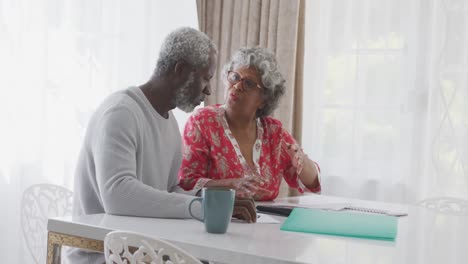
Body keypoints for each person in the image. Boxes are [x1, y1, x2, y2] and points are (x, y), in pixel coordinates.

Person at [68, 28, 256, 264]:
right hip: (102, 256)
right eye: (205, 78)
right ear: (180, 70)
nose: (208, 90)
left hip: (140, 251)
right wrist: (201, 207)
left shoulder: (170, 123)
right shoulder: (121, 112)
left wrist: (212, 202)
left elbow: (168, 191)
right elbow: (118, 195)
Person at [178, 47, 321, 201]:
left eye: (249, 83)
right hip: (218, 219)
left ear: (263, 99)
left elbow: (313, 184)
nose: (237, 86)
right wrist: (230, 186)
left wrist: (302, 160)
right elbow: (186, 183)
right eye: (235, 77)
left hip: (264, 222)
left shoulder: (273, 132)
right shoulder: (203, 121)